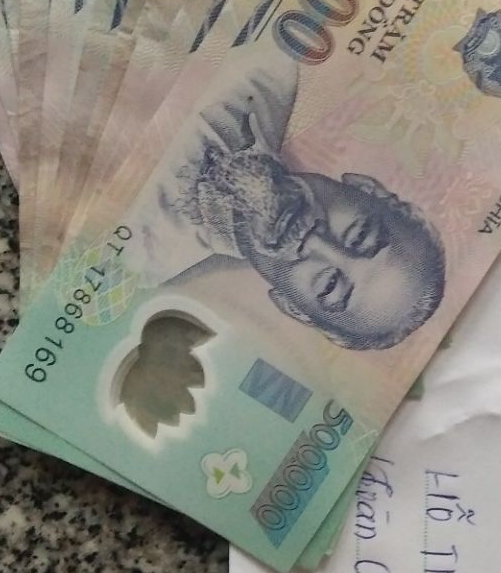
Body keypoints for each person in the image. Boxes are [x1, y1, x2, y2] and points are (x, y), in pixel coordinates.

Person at [141, 50, 446, 351]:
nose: (315, 242)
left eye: (329, 285)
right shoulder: (271, 68)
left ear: (292, 307)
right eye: (359, 235)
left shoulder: (143, 256)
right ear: (366, 188)